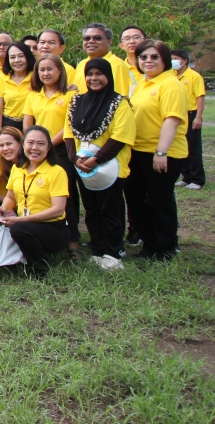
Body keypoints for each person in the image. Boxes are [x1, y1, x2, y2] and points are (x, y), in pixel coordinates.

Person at [65, 58, 136, 270]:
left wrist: (97, 159)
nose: (93, 78)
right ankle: (98, 249)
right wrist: (74, 158)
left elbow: (121, 136)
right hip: (83, 166)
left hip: (110, 166)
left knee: (110, 210)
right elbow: (69, 133)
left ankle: (113, 252)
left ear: (108, 76)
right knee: (92, 209)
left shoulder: (119, 103)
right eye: (89, 74)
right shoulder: (77, 101)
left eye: (99, 74)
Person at [122, 40, 188, 261]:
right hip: (137, 150)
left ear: (165, 59)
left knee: (160, 201)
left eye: (154, 57)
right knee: (137, 200)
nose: (148, 61)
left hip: (162, 153)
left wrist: (161, 153)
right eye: (143, 57)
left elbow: (172, 120)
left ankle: (165, 248)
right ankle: (150, 246)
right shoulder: (144, 82)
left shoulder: (170, 85)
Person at [0, 126, 70, 277]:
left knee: (19, 229)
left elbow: (58, 210)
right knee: (2, 263)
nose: (34, 148)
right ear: (23, 145)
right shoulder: (17, 168)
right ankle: (23, 259)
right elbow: (10, 197)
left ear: (48, 147)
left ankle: (40, 270)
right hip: (25, 224)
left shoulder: (57, 172)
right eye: (30, 143)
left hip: (53, 228)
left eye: (41, 144)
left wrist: (21, 220)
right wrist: (3, 208)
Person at [174, 49, 206, 190]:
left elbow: (200, 97)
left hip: (191, 114)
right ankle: (186, 177)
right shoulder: (172, 75)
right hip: (178, 114)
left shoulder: (194, 76)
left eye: (175, 58)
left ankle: (197, 179)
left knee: (193, 147)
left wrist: (198, 117)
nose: (173, 61)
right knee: (181, 146)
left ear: (184, 61)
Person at [72, 24, 132, 97]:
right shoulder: (82, 64)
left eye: (97, 38)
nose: (91, 41)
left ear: (109, 42)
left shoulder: (116, 64)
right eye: (87, 38)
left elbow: (118, 98)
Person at [0, 42, 36, 135]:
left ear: (28, 57)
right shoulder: (1, 79)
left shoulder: (36, 78)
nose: (17, 60)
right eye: (12, 57)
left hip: (32, 125)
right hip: (8, 125)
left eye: (21, 56)